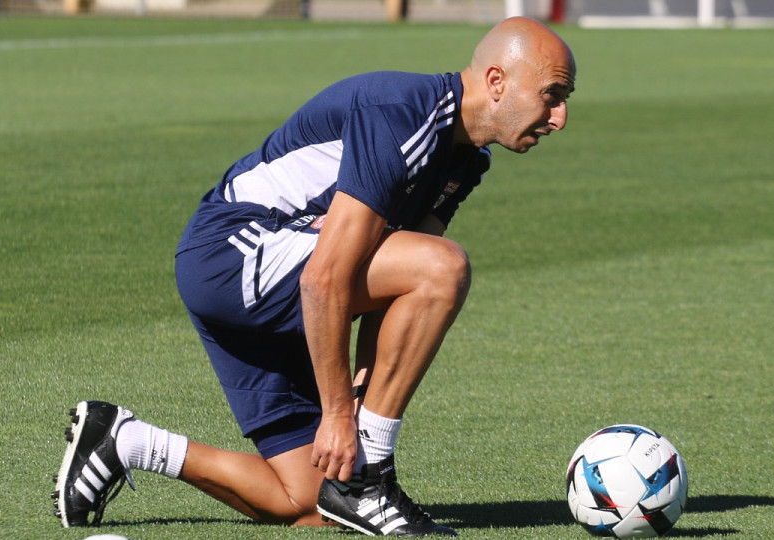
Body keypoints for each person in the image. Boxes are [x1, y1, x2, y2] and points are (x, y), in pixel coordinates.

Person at [52, 16, 575, 537]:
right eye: (551, 94)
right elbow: (325, 281)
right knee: (444, 267)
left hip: (270, 275)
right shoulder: (398, 112)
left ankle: (123, 440)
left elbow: (396, 292)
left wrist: (360, 397)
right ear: (496, 81)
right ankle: (369, 481)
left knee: (308, 499)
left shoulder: (468, 159)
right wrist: (340, 414)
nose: (560, 117)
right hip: (231, 252)